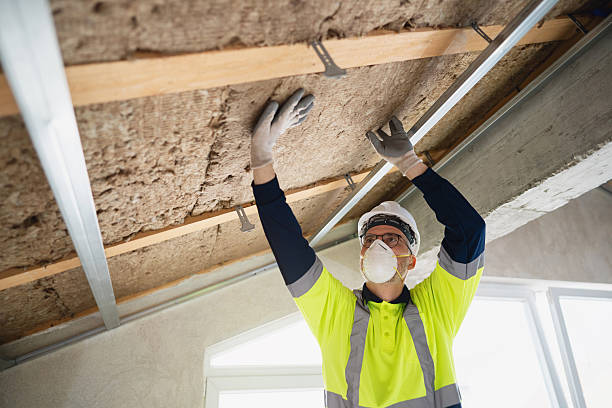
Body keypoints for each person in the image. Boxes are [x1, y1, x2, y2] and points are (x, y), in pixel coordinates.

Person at [250, 88, 486, 408]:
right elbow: (291, 249)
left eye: (391, 239)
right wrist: (263, 159)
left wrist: (410, 163)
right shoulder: (338, 313)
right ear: (361, 257)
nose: (380, 245)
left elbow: (470, 231)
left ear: (412, 260)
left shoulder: (437, 308)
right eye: (372, 239)